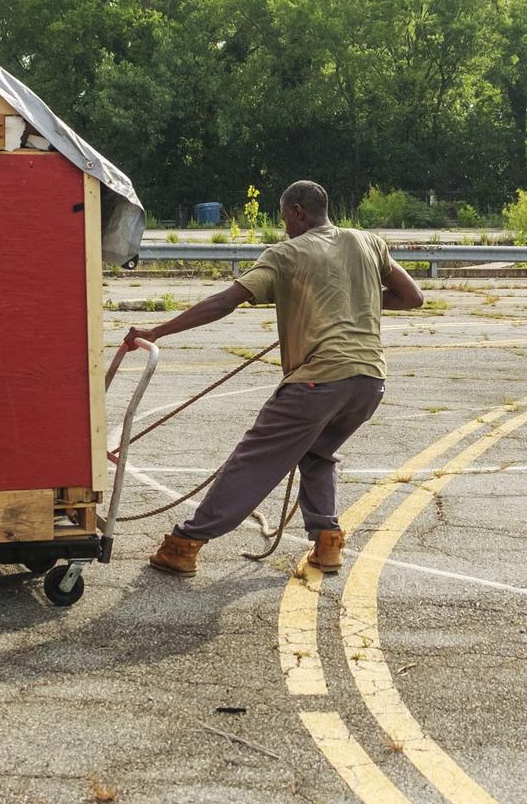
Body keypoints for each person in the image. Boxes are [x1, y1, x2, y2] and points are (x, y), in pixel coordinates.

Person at [124, 180, 424, 577]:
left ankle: (185, 543)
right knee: (316, 454)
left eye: (284, 218)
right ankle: (327, 543)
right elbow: (413, 296)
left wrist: (158, 331)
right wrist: (350, 302)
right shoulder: (367, 242)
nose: (284, 226)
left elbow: (224, 302)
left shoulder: (285, 254)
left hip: (319, 380)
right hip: (369, 382)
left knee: (254, 461)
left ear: (297, 212)